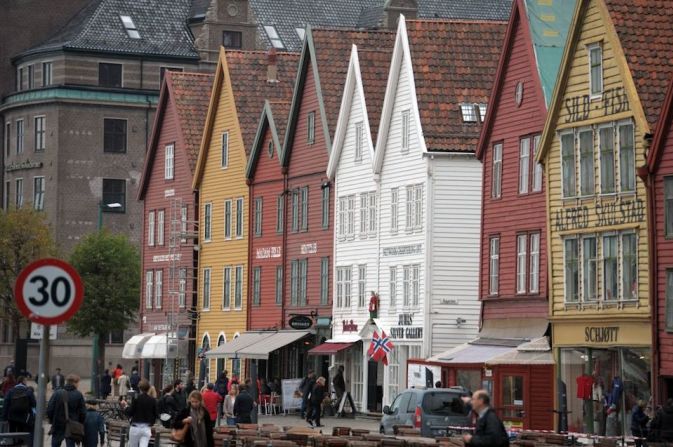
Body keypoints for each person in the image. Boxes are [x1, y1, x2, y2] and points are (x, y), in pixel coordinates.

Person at [47, 374, 86, 447]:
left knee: (55, 444)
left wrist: (53, 420)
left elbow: (50, 409)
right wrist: (79, 423)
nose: (78, 385)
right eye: (78, 383)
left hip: (57, 424)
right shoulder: (78, 394)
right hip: (72, 425)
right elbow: (83, 412)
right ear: (74, 383)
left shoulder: (57, 393)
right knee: (71, 444)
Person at [123, 379, 158, 447]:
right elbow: (156, 414)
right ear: (148, 388)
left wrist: (125, 407)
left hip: (135, 427)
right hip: (146, 428)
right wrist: (152, 422)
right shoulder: (153, 400)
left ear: (140, 388)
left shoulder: (136, 399)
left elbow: (130, 412)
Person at [3, 376, 36, 440]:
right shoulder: (28, 391)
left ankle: (13, 442)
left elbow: (6, 404)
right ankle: (20, 442)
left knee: (12, 432)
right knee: (22, 432)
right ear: (23, 381)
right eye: (25, 381)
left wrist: (4, 417)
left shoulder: (11, 391)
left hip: (12, 416)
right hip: (24, 416)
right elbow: (34, 404)